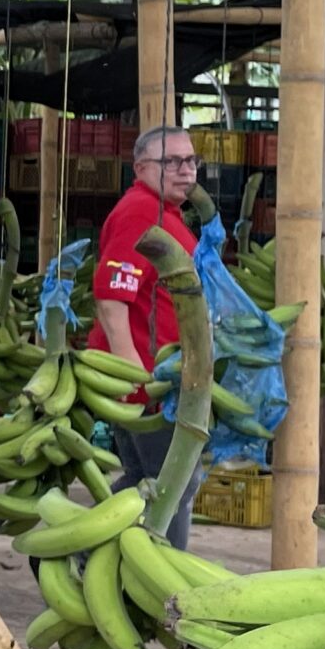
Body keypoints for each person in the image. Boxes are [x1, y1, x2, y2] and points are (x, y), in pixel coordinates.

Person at [89, 123, 205, 546]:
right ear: (140, 168)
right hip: (147, 378)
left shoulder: (165, 213)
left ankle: (86, 551)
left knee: (146, 480)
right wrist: (135, 378)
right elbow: (111, 298)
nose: (185, 170)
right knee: (173, 483)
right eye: (171, 161)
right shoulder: (140, 212)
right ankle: (160, 571)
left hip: (165, 375)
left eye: (190, 160)